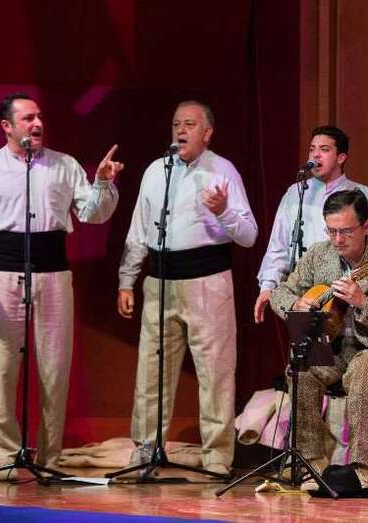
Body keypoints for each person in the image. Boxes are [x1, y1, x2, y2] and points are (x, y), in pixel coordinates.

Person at [0, 92, 122, 477]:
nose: (37, 123)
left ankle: (49, 458)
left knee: (55, 368)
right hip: (2, 276)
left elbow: (93, 213)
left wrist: (102, 183)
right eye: (28, 118)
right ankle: (6, 457)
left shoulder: (64, 165)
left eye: (39, 116)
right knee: (3, 368)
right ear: (6, 126)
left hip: (53, 274)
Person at [117, 100, 257, 476]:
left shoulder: (223, 171)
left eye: (190, 124)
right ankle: (147, 449)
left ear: (207, 133)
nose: (181, 130)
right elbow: (138, 230)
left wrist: (223, 210)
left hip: (207, 281)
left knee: (215, 372)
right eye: (177, 123)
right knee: (152, 370)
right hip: (160, 281)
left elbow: (248, 235)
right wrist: (127, 280)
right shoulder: (156, 171)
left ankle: (216, 456)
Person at [269, 189, 368, 490]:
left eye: (346, 231)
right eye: (332, 231)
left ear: (366, 226)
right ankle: (311, 463)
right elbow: (280, 292)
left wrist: (363, 303)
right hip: (335, 350)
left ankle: (360, 469)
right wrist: (295, 304)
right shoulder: (318, 255)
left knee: (363, 370)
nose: (338, 239)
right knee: (302, 367)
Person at [254, 125, 368, 324]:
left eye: (324, 149)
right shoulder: (295, 193)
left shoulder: (362, 194)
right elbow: (278, 247)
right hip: (303, 293)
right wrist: (268, 287)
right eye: (312, 149)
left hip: (346, 297)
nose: (316, 155)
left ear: (341, 157)